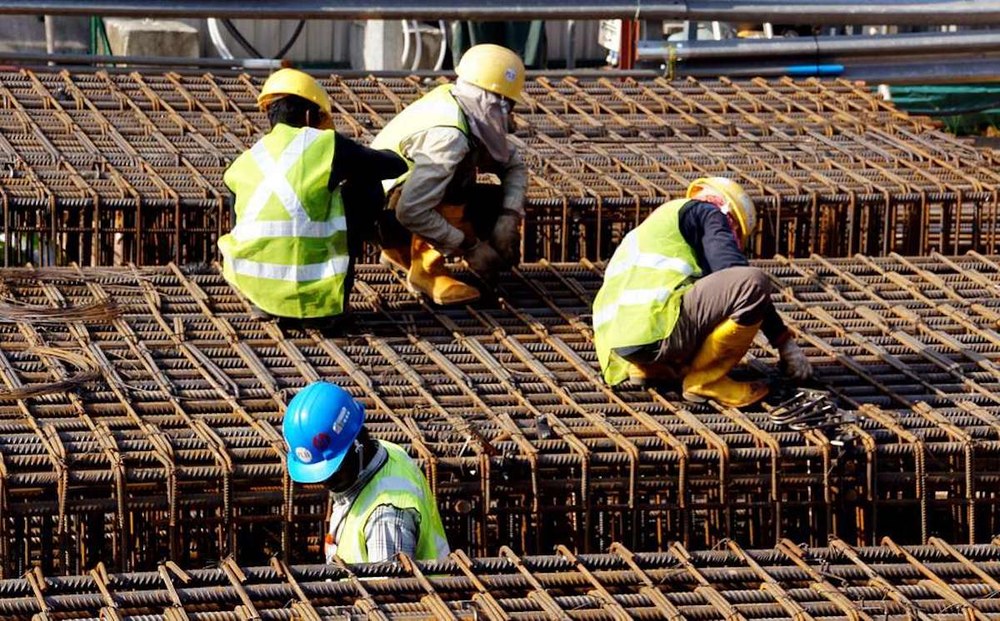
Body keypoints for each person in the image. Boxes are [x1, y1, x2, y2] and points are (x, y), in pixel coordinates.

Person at [592, 177, 812, 408]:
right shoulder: (710, 212)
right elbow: (732, 270)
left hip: (621, 345)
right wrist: (784, 341)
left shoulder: (652, 230)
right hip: (657, 328)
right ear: (729, 214)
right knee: (752, 283)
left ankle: (650, 368)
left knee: (709, 295)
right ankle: (707, 380)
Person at [219, 68, 407, 322]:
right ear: (310, 115)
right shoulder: (325, 144)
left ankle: (265, 303)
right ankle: (338, 299)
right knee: (366, 183)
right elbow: (393, 166)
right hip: (317, 300)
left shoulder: (244, 162)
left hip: (255, 287)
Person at [370, 43, 528, 305]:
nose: (511, 117)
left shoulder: (459, 105)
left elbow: (514, 165)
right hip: (383, 214)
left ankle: (400, 254)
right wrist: (472, 247)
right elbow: (411, 210)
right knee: (455, 181)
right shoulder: (449, 136)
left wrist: (508, 218)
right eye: (509, 107)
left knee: (494, 200)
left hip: (388, 206)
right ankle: (426, 270)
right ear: (494, 103)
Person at [283, 381, 450, 564]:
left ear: (357, 445)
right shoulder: (388, 450)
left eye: (334, 470)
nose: (326, 482)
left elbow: (391, 591)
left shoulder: (385, 519)